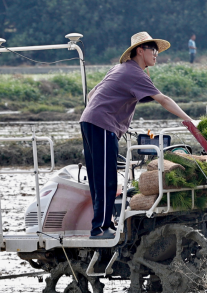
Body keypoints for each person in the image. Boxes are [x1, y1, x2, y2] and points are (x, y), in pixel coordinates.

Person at [78, 32, 194, 240]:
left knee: (98, 178)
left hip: (90, 122)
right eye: (153, 50)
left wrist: (114, 117)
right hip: (102, 125)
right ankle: (100, 229)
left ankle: (101, 226)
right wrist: (190, 121)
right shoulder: (135, 73)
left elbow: (91, 95)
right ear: (140, 51)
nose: (157, 54)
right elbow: (164, 100)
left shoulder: (120, 69)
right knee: (106, 178)